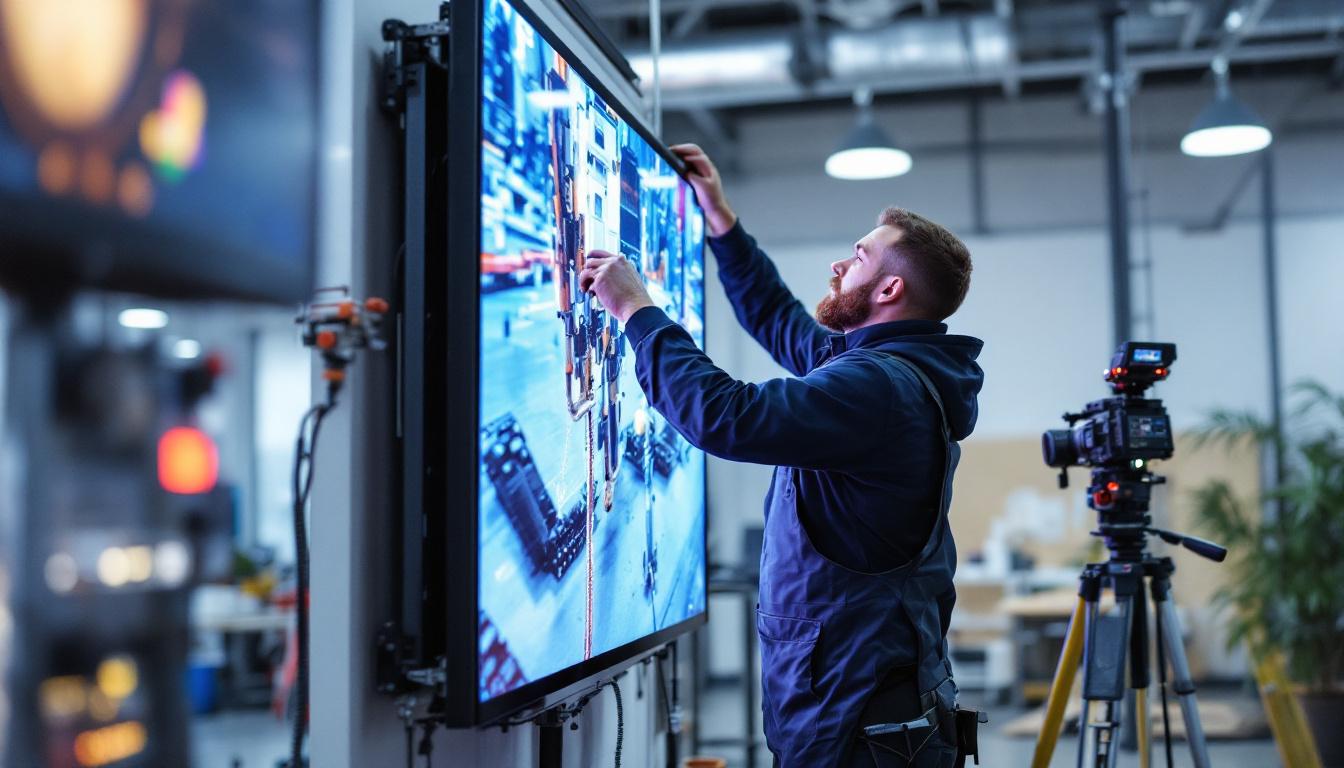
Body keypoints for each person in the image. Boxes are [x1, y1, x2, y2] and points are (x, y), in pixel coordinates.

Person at [579, 143, 984, 768]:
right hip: (865, 705)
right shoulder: (890, 371)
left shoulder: (878, 389)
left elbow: (727, 417)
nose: (837, 265)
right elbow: (779, 319)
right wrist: (720, 219)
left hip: (856, 723)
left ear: (890, 287)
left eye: (856, 258)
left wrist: (636, 309)